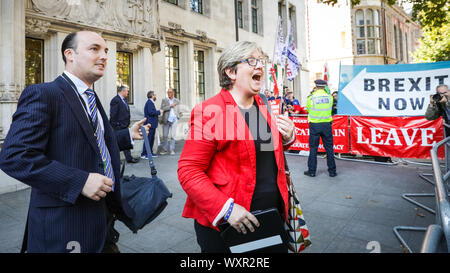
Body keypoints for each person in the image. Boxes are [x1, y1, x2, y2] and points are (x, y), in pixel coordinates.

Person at [0, 31, 150, 253]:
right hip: (65, 225)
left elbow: (88, 141)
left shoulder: (91, 96)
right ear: (69, 54)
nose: (104, 56)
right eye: (94, 49)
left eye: (106, 51)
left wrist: (126, 136)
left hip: (103, 220)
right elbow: (14, 156)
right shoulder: (43, 93)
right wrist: (79, 182)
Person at [177, 41, 296, 253]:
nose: (260, 66)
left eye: (261, 61)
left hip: (270, 216)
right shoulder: (209, 111)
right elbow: (188, 171)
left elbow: (264, 153)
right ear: (231, 72)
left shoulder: (262, 105)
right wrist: (227, 209)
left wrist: (287, 138)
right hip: (230, 224)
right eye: (252, 61)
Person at [304, 79, 337, 178]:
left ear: (316, 86)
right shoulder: (330, 97)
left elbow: (308, 109)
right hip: (326, 125)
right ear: (324, 86)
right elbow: (330, 108)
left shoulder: (311, 97)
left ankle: (312, 171)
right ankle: (332, 171)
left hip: (314, 125)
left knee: (313, 149)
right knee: (329, 149)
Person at [110, 85, 138, 163]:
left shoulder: (124, 100)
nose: (128, 93)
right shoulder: (115, 100)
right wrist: (117, 125)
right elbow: (113, 115)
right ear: (122, 91)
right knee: (117, 144)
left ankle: (129, 158)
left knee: (126, 142)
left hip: (125, 125)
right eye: (127, 91)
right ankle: (116, 160)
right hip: (118, 126)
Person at [160, 88, 181, 155]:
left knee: (172, 136)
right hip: (166, 120)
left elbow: (179, 110)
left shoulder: (177, 101)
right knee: (165, 136)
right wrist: (170, 106)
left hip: (174, 120)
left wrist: (178, 117)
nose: (169, 93)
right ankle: (165, 149)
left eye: (170, 92)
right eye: (168, 92)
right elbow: (162, 108)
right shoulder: (164, 100)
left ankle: (172, 150)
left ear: (173, 93)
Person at [141, 90, 161, 159]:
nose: (155, 96)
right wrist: (159, 112)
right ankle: (144, 154)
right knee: (148, 139)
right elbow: (151, 112)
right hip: (149, 123)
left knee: (151, 139)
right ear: (152, 96)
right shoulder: (149, 102)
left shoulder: (151, 102)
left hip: (152, 124)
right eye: (155, 95)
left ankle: (150, 153)